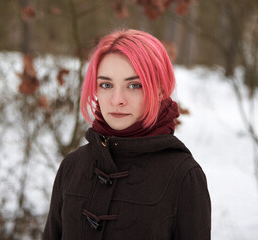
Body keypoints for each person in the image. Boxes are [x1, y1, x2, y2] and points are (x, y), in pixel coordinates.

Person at [43, 29, 211, 240]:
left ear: (159, 90)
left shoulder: (184, 176)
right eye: (106, 85)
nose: (117, 100)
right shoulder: (72, 166)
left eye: (134, 85)